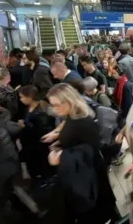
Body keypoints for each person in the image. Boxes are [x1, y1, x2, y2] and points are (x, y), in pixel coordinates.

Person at [42, 83, 120, 224]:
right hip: (82, 177)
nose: (55, 108)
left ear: (69, 100)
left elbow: (90, 151)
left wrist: (61, 157)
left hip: (89, 181)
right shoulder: (73, 118)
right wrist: (59, 142)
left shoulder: (83, 122)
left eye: (58, 104)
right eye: (53, 105)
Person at [17, 85, 57, 184]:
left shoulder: (41, 111)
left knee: (42, 169)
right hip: (30, 146)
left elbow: (42, 131)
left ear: (29, 97)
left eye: (22, 97)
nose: (20, 99)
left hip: (39, 147)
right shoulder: (28, 108)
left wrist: (24, 126)